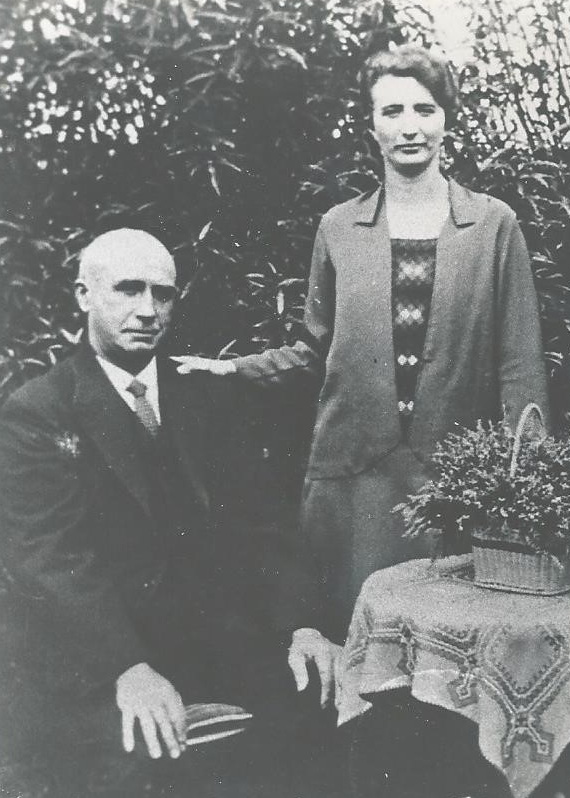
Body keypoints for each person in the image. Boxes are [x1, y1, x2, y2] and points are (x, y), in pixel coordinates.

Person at [174, 45, 550, 629]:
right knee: (359, 651)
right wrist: (234, 370)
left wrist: (521, 482)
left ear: (446, 118)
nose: (409, 127)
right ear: (370, 125)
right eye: (392, 111)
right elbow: (314, 350)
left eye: (424, 109)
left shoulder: (492, 225)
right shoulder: (339, 227)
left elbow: (520, 364)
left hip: (455, 483)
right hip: (356, 485)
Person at [0, 229, 340, 797]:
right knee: (138, 766)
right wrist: (124, 667)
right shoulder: (39, 411)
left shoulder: (204, 392)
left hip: (216, 640)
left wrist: (302, 621)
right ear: (84, 295)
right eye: (128, 291)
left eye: (163, 294)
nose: (148, 311)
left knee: (322, 704)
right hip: (103, 655)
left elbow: (262, 520)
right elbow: (52, 560)